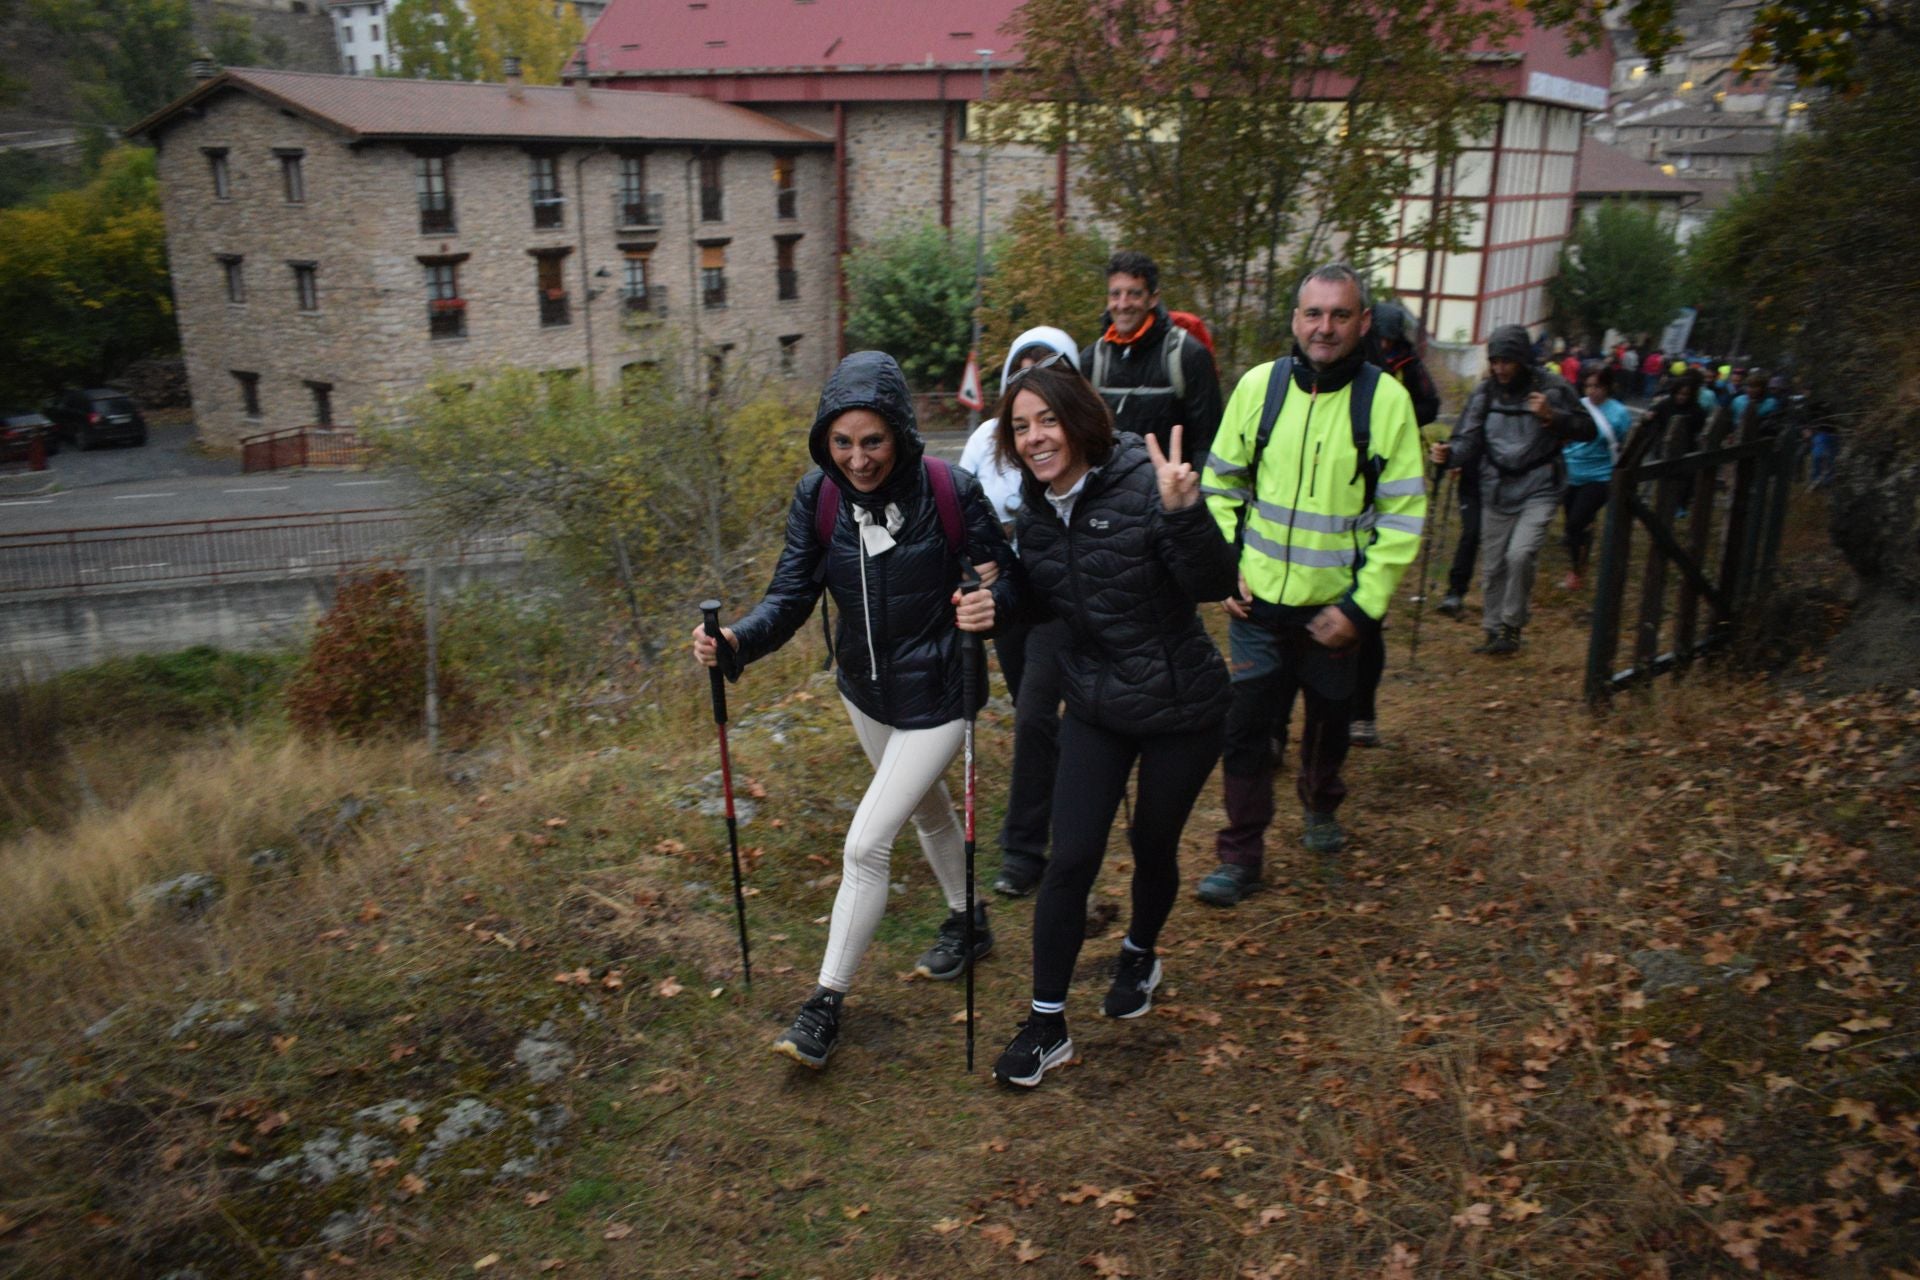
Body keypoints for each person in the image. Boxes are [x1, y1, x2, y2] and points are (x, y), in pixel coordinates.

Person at [691, 350, 1016, 1070]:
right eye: (843, 442)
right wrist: (737, 639)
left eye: (873, 441)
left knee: (866, 845)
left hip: (940, 695)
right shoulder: (821, 498)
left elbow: (1009, 581)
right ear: (824, 442)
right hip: (864, 692)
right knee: (927, 812)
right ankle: (972, 922)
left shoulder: (950, 490)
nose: (859, 459)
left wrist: (993, 604)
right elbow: (791, 594)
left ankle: (824, 1005)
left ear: (899, 431)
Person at [983, 365, 1238, 1088]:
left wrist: (1186, 512)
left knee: (1151, 842)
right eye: (1021, 427)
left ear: (1078, 419)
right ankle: (1046, 1024)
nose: (1034, 438)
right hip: (1096, 702)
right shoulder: (1034, 509)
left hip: (1180, 706)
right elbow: (1035, 602)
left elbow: (1213, 585)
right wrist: (991, 601)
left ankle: (1139, 951)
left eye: (1046, 421)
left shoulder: (1143, 481)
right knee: (1070, 859)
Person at [1193, 263, 1427, 908]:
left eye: (1340, 315)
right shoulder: (1258, 388)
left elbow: (1403, 518)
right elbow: (1220, 484)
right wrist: (1226, 567)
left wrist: (1361, 606)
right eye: (1313, 314)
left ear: (1363, 322)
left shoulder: (1386, 403)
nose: (1324, 327)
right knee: (1244, 729)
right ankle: (1241, 856)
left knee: (1328, 722)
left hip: (1335, 613)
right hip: (1256, 604)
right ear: (1295, 320)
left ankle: (1321, 802)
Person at [957, 326, 1082, 898]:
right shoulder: (986, 439)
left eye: (1049, 372)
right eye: (1021, 371)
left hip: (1060, 596)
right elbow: (962, 511)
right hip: (1008, 598)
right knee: (1036, 716)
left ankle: (1023, 851)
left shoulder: (1080, 439)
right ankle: (1067, 798)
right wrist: (974, 564)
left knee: (1034, 714)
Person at [1431, 325, 1592, 655]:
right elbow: (1467, 438)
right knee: (1493, 566)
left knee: (1520, 554)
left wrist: (1553, 416)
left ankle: (1512, 626)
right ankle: (1493, 631)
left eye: (1508, 361)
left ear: (1522, 360)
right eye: (1495, 361)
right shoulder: (1486, 392)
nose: (1500, 368)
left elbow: (1587, 428)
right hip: (1497, 488)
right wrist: (1448, 456)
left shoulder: (1553, 388)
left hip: (1540, 485)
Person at [1349, 299, 1441, 748]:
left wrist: (1398, 412)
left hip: (1384, 482)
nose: (1383, 343)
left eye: (1388, 337)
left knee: (1368, 621)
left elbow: (1431, 405)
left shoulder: (1404, 366)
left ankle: (1362, 713)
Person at [1082, 250, 1225, 465]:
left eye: (1134, 294)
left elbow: (1207, 443)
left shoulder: (1188, 356)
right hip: (1110, 494)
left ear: (1153, 299)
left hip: (1170, 493)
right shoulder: (1092, 361)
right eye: (1115, 294)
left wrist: (1196, 497)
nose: (1122, 304)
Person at [1561, 367, 1633, 590]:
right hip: (1572, 472)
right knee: (1572, 525)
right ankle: (1579, 558)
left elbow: (1623, 445)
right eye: (1588, 386)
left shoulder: (1619, 414)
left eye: (1598, 386)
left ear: (1608, 387)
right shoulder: (1577, 407)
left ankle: (1575, 572)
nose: (1592, 391)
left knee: (1575, 522)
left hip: (1599, 477)